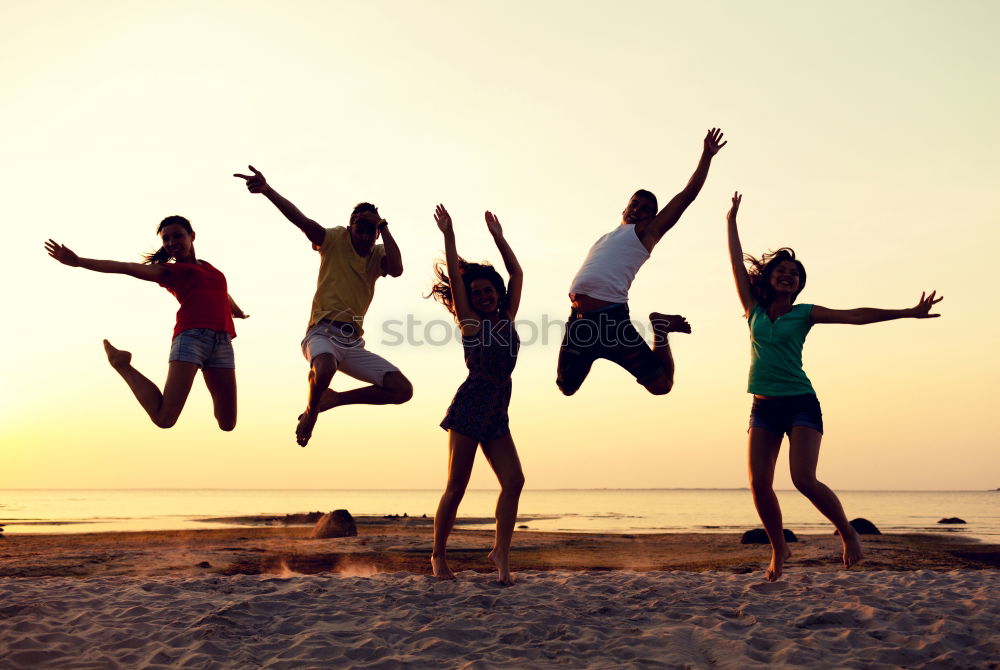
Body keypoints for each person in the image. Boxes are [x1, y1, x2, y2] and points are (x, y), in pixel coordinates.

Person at [726, 191, 943, 581]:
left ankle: (848, 534)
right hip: (763, 407)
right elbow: (736, 268)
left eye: (795, 273)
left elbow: (856, 316)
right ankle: (779, 549)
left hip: (801, 404)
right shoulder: (753, 310)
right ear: (771, 276)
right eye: (782, 270)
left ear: (798, 284)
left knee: (803, 479)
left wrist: (908, 312)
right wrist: (731, 222)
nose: (787, 275)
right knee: (759, 484)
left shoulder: (805, 314)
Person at [234, 166, 412, 447]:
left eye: (371, 231)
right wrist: (267, 191)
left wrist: (383, 225)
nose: (365, 236)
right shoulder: (334, 240)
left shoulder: (379, 254)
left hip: (352, 343)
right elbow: (301, 220)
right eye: (360, 229)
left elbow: (398, 269)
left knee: (402, 390)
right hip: (320, 334)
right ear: (350, 225)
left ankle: (335, 398)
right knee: (326, 366)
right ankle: (311, 412)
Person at [557, 128, 727, 396]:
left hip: (612, 322)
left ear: (652, 218)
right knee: (566, 387)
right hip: (580, 323)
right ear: (624, 209)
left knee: (662, 386)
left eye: (645, 209)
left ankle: (660, 329)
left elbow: (686, 196)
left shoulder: (645, 233)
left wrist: (706, 156)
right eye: (634, 204)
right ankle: (596, 351)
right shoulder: (607, 236)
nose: (637, 209)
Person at [45, 216, 247, 430]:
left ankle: (122, 364)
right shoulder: (169, 271)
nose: (171, 243)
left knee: (227, 423)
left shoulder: (208, 268)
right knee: (165, 419)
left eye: (177, 235)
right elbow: (126, 267)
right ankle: (121, 364)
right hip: (191, 339)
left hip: (222, 342)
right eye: (166, 239)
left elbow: (221, 291)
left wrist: (237, 311)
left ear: (192, 236)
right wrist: (79, 262)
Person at [428, 204, 525, 585]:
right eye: (477, 292)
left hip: (497, 412)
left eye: (488, 291)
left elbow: (517, 272)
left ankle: (501, 552)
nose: (483, 296)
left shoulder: (507, 317)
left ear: (497, 293)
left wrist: (499, 239)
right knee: (457, 486)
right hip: (470, 409)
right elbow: (454, 275)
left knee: (514, 481)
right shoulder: (470, 322)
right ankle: (438, 556)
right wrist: (449, 235)